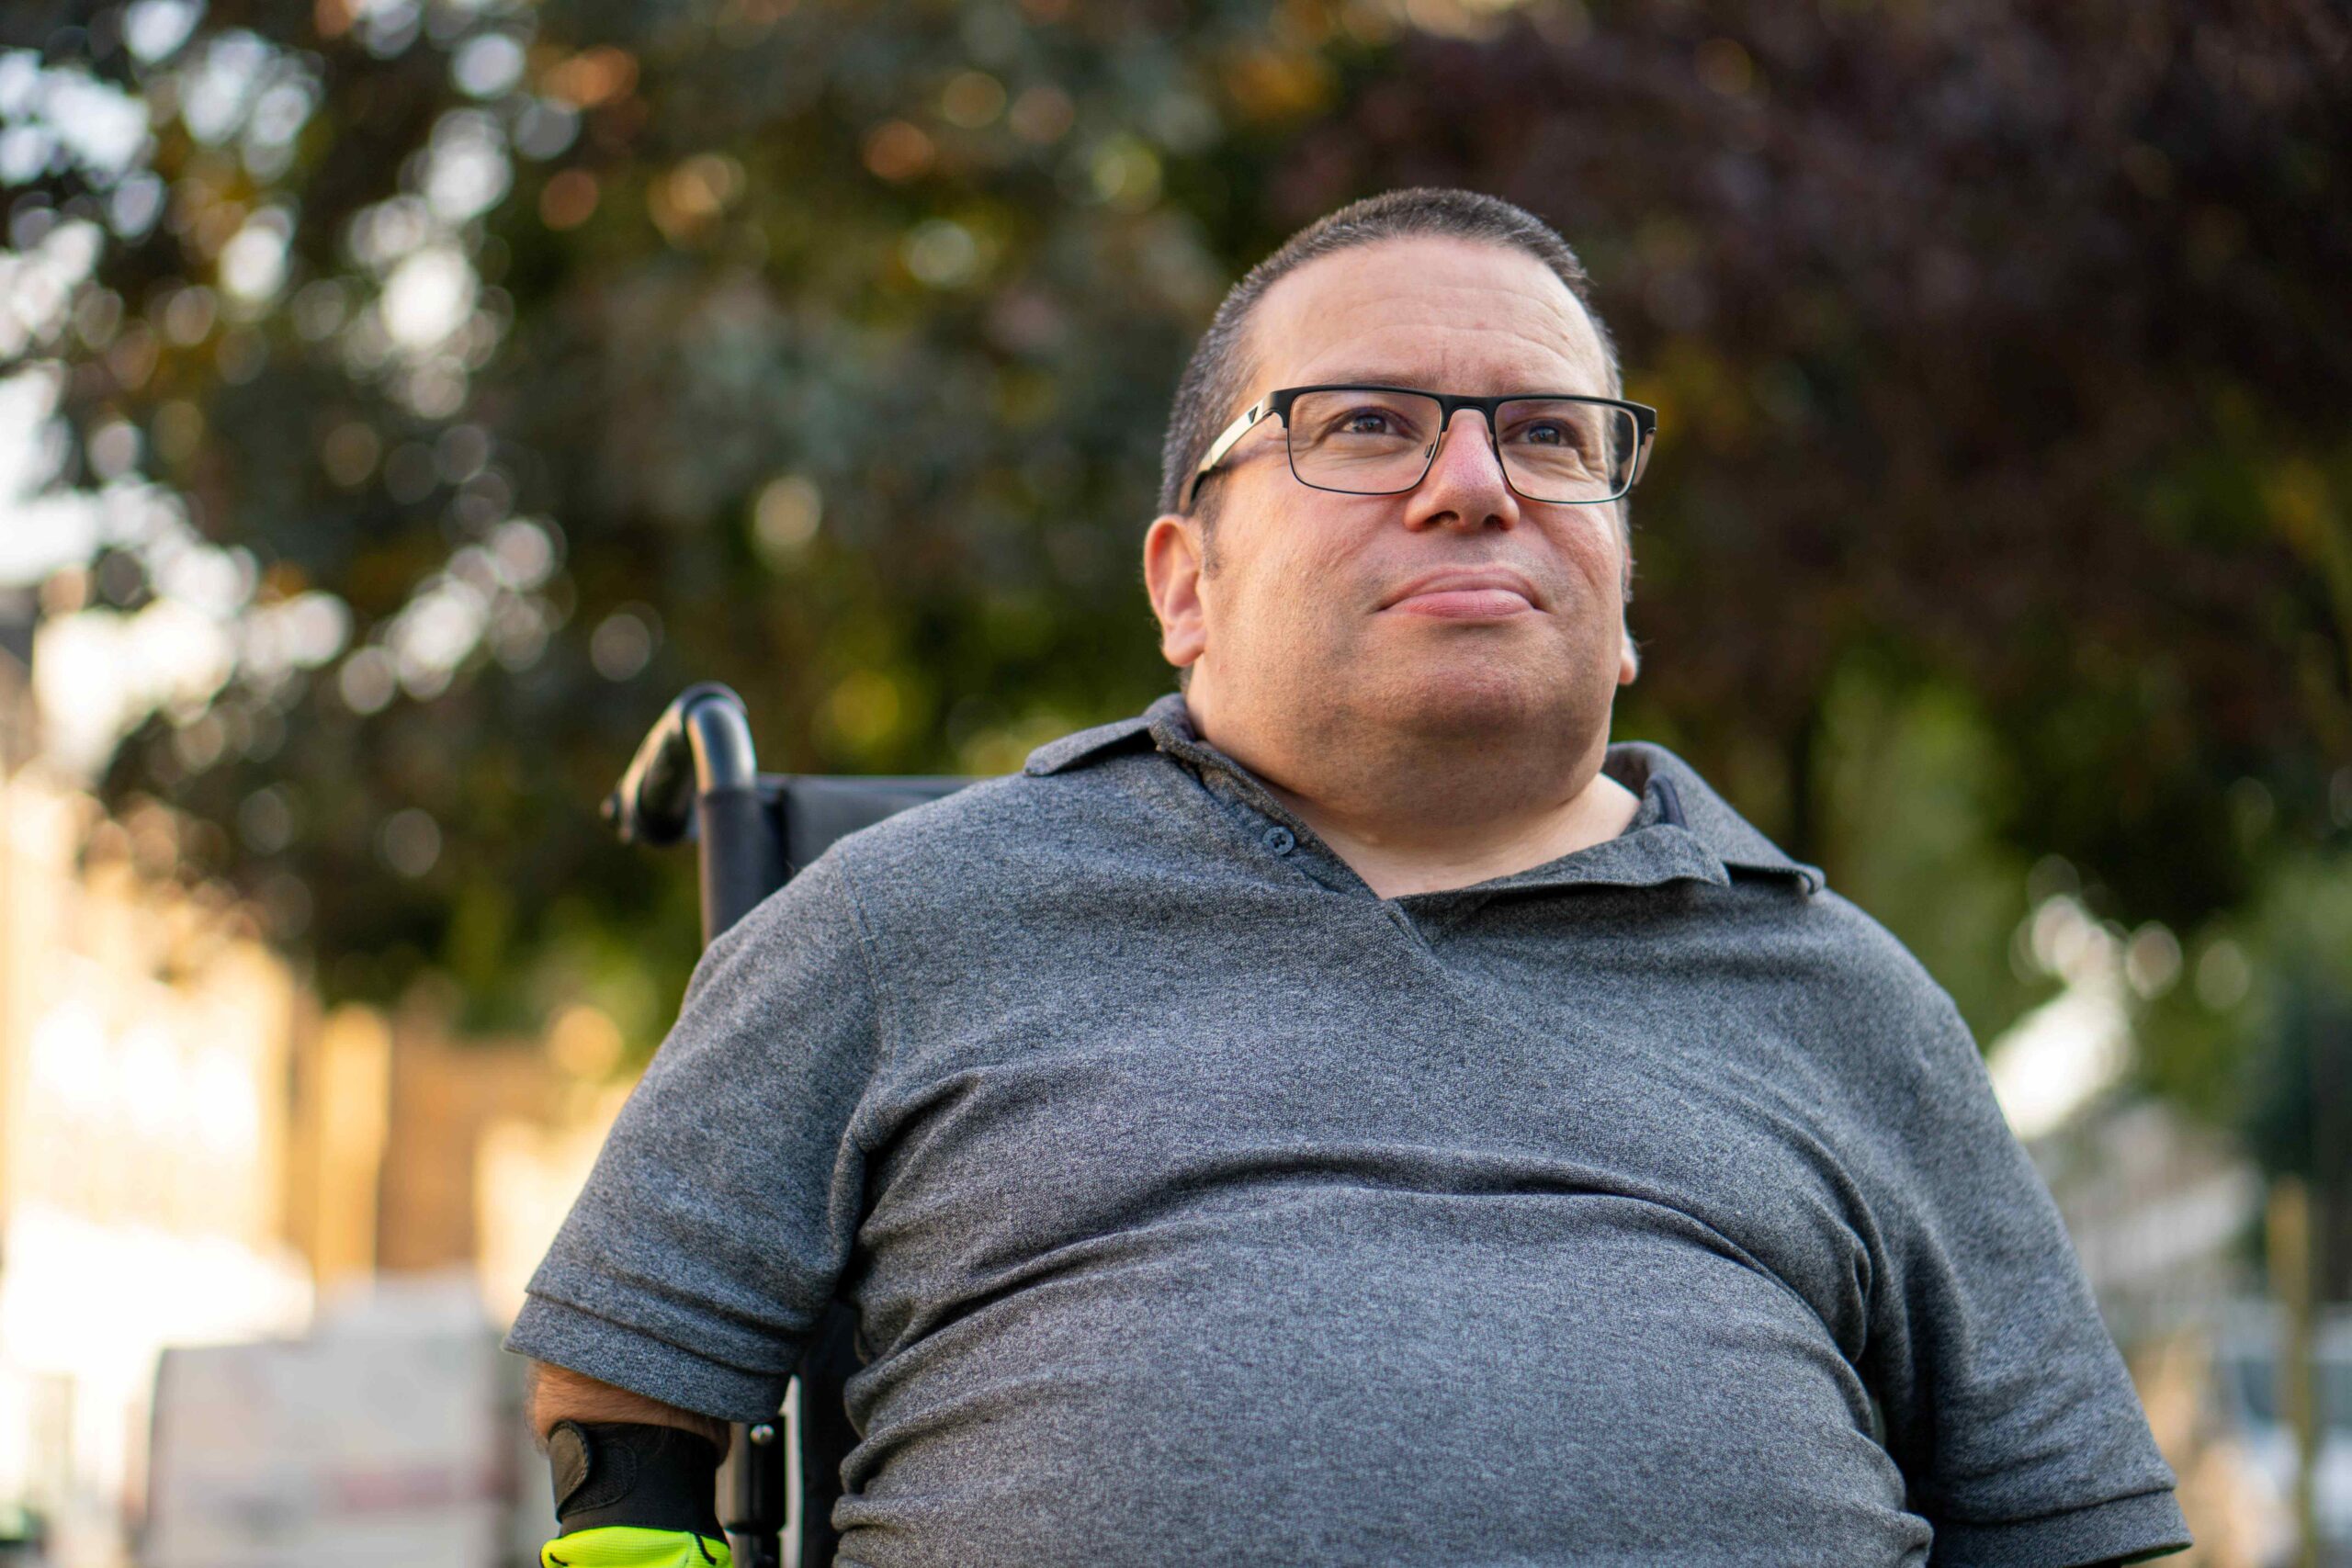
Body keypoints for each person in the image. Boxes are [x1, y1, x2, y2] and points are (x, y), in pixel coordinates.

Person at [508, 187, 2191, 1568]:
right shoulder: (902, 925)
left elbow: (2068, 1529)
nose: (1474, 486)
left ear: (1620, 591)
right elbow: (622, 1405)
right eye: (1368, 425)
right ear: (1187, 581)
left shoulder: (1846, 995)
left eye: (1549, 436)